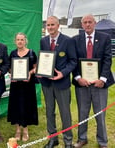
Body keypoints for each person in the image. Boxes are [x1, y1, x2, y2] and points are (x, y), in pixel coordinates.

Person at [72, 14, 115, 148]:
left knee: (100, 114)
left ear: (95, 23)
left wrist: (102, 79)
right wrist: (78, 78)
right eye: (85, 22)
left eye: (90, 22)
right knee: (83, 113)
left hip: (99, 84)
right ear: (82, 24)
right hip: (82, 84)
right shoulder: (76, 40)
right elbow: (73, 61)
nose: (88, 24)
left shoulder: (105, 38)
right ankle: (82, 139)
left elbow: (108, 59)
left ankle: (102, 142)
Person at [39, 16, 77, 148]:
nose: (50, 27)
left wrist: (63, 73)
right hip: (47, 84)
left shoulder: (68, 41)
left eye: (52, 25)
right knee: (49, 111)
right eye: (48, 25)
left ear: (58, 25)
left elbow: (73, 61)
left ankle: (68, 141)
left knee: (65, 112)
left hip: (62, 84)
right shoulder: (43, 41)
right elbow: (43, 59)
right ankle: (52, 139)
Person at [7, 32, 38, 142]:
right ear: (15, 41)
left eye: (22, 40)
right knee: (16, 107)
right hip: (16, 85)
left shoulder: (31, 53)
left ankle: (25, 130)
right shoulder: (12, 53)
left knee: (26, 106)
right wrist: (11, 74)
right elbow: (9, 68)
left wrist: (30, 73)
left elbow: (36, 68)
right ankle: (17, 130)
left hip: (27, 85)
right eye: (18, 40)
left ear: (25, 41)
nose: (20, 41)